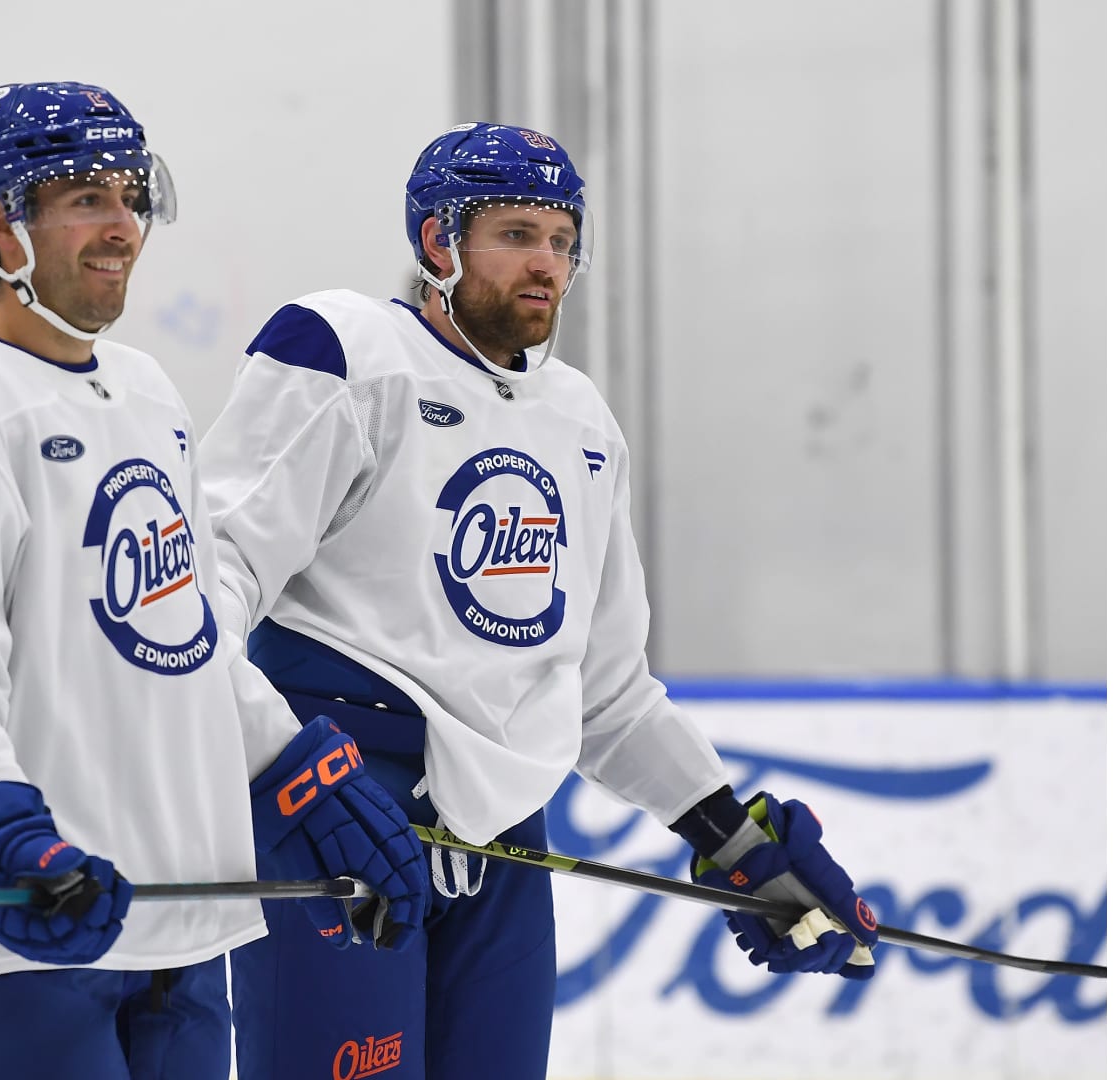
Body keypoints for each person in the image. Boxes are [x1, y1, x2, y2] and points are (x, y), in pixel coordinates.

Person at [200, 122, 880, 1080]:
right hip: (343, 802)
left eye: (562, 241)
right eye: (517, 234)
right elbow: (207, 586)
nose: (547, 264)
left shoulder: (580, 420)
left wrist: (734, 840)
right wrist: (287, 768)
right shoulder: (348, 352)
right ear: (438, 242)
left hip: (505, 838)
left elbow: (606, 693)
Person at [0, 82, 429, 1080]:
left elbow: (186, 638)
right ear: (2, 223)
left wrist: (304, 773)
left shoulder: (147, 395)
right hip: (11, 943)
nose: (122, 227)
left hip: (180, 941)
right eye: (86, 200)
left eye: (130, 197)